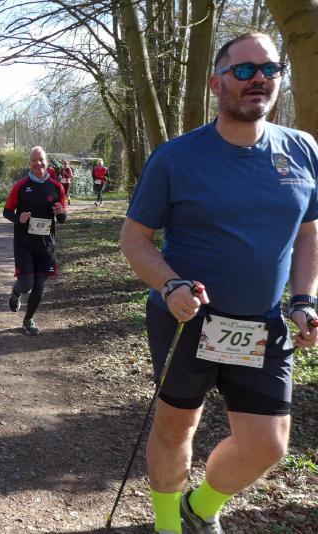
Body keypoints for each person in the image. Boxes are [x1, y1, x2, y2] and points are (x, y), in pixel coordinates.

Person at [120, 32, 318, 534]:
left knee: (267, 445)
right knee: (177, 427)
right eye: (245, 70)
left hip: (261, 324)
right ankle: (168, 526)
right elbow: (135, 238)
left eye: (270, 69)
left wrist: (304, 299)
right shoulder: (176, 157)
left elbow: (309, 232)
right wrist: (169, 286)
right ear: (216, 83)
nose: (260, 79)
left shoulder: (302, 150)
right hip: (188, 319)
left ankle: (200, 507)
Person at [3, 146, 67, 336]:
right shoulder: (21, 186)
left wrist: (61, 212)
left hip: (46, 245)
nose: (38, 163)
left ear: (47, 162)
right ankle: (16, 293)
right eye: (34, 160)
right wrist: (19, 218)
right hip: (24, 244)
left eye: (41, 160)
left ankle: (28, 320)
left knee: (39, 286)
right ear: (29, 164)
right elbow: (7, 211)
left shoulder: (57, 187)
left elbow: (62, 218)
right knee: (26, 284)